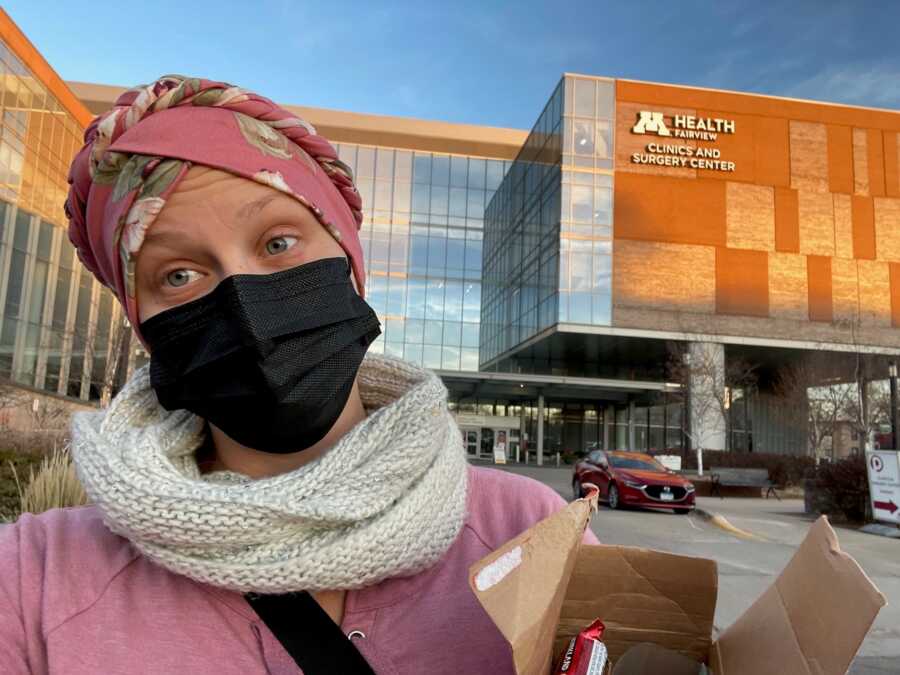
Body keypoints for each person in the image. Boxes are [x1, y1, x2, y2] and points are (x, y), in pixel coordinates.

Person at [0, 75, 597, 674]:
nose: (244, 304)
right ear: (144, 326)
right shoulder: (37, 576)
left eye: (279, 241)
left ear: (350, 264)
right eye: (177, 275)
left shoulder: (527, 531)